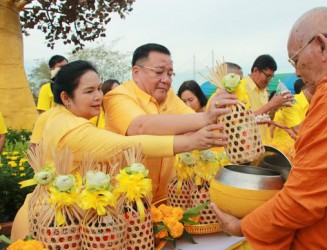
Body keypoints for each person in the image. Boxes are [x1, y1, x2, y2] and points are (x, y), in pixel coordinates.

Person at [211, 7, 327, 249]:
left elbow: (307, 195)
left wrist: (242, 226)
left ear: (321, 45)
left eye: (296, 60)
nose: (297, 72)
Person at [12, 60, 228, 241]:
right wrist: (192, 141)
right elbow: (128, 145)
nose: (99, 96)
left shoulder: (62, 116)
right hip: (50, 226)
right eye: (89, 91)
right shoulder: (70, 129)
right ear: (66, 98)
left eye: (98, 88)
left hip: (64, 222)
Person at [103, 43, 236, 201]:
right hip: (126, 201)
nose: (166, 80)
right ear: (136, 73)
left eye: (170, 74)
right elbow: (139, 126)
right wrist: (206, 117)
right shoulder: (117, 96)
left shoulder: (169, 96)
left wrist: (227, 115)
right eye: (159, 72)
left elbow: (193, 123)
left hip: (166, 197)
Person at [242, 54, 294, 144]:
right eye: (268, 76)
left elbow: (266, 122)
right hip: (247, 148)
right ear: (256, 70)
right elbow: (242, 121)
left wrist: (273, 109)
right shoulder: (241, 88)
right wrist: (270, 105)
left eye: (271, 77)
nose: (269, 80)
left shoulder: (264, 91)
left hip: (264, 145)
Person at [269, 79, 311, 157]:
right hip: (282, 154)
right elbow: (298, 129)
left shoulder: (310, 104)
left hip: (296, 151)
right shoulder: (292, 102)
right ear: (308, 89)